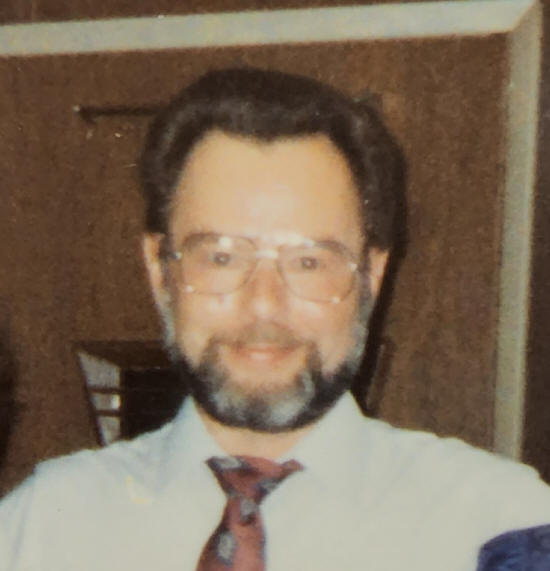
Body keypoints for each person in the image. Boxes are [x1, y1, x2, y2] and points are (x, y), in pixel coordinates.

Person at [1, 67, 549, 571]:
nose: (264, 304)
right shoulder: (42, 527)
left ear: (371, 277)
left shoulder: (501, 527)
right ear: (159, 269)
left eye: (309, 262)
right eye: (221, 257)